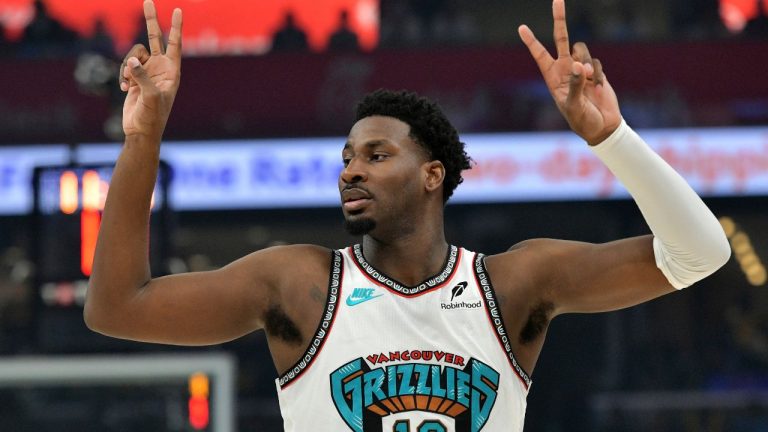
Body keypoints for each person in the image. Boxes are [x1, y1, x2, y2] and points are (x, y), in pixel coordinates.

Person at [85, 1, 731, 431]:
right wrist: (144, 137)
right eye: (347, 156)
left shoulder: (512, 285)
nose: (351, 170)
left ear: (432, 175)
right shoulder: (298, 285)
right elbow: (116, 306)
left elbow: (701, 253)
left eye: (376, 154)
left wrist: (611, 136)